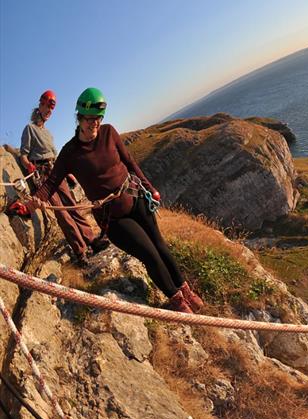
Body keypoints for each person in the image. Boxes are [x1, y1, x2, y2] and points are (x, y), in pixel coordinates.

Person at [22, 87, 204, 313]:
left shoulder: (109, 132)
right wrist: (35, 201)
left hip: (136, 198)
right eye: (90, 120)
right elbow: (51, 183)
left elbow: (129, 162)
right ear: (79, 118)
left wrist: (150, 187)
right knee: (148, 253)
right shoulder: (70, 152)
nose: (95, 125)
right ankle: (177, 300)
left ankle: (186, 291)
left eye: (98, 119)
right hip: (113, 218)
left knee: (160, 245)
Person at [11, 90, 107, 266]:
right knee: (62, 213)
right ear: (40, 105)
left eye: (51, 108)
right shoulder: (29, 129)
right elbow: (24, 154)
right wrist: (28, 165)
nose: (49, 110)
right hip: (42, 174)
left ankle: (92, 240)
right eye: (47, 106)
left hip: (56, 171)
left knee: (72, 206)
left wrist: (68, 173)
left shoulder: (48, 133)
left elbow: (57, 158)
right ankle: (80, 252)